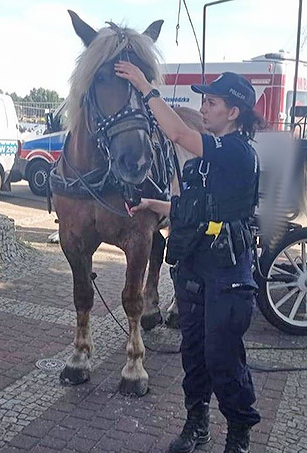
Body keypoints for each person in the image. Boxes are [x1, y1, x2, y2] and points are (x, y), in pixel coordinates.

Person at [115, 63, 262, 453]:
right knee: (193, 354)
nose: (204, 108)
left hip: (228, 273)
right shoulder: (203, 162)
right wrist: (154, 203)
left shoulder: (236, 152)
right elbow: (196, 208)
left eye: (211, 103)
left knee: (223, 359)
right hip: (196, 268)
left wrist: (146, 86)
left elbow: (178, 131)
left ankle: (238, 435)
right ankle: (196, 424)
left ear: (233, 113)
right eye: (204, 101)